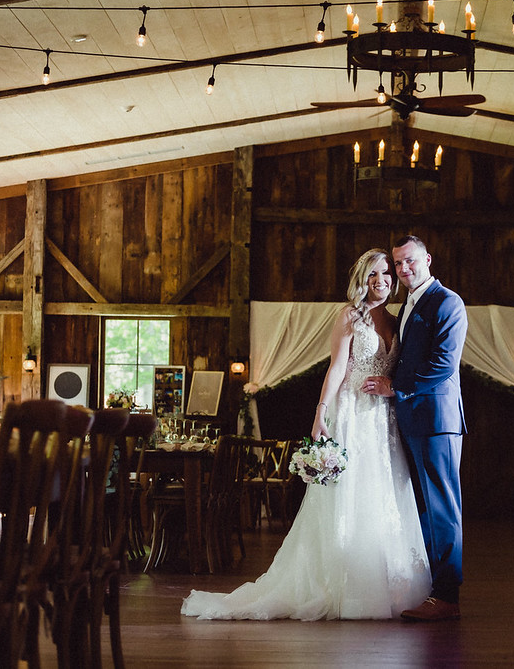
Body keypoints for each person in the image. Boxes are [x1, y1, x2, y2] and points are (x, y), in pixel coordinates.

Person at [181, 249, 431, 621]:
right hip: (352, 413)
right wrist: (321, 411)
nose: (381, 280)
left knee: (384, 492)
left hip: (383, 419)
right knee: (349, 494)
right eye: (373, 274)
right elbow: (337, 368)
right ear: (362, 279)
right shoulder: (349, 316)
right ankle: (343, 585)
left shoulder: (397, 321)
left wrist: (393, 389)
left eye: (386, 273)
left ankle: (384, 584)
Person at [363, 235, 467, 622]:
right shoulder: (409, 303)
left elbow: (444, 364)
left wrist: (395, 387)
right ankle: (431, 589)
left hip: (437, 421)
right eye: (398, 263)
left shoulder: (447, 302)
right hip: (410, 419)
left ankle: (447, 596)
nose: (404, 269)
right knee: (422, 507)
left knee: (442, 509)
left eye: (410, 261)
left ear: (427, 259)